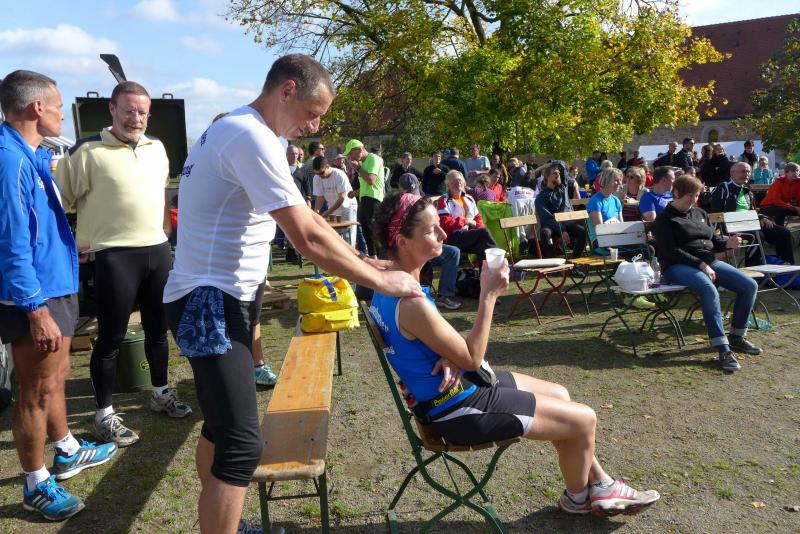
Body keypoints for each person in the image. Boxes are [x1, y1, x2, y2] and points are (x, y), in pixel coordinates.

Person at [162, 54, 422, 534]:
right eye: (312, 112)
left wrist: (365, 261)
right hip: (209, 302)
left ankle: (228, 524)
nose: (314, 126)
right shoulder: (250, 135)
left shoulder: (240, 130)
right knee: (241, 446)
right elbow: (305, 238)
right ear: (286, 91)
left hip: (217, 298)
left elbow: (309, 219)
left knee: (221, 428)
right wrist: (381, 281)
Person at [369, 192, 661, 517]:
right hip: (457, 408)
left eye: (440, 225)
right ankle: (578, 499)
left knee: (560, 394)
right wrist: (488, 294)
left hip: (451, 393)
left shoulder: (387, 284)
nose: (442, 234)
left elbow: (428, 344)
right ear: (402, 241)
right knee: (584, 420)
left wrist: (449, 355)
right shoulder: (411, 302)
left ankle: (602, 485)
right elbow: (472, 359)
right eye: (430, 230)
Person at [0, 70, 117, 521]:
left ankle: (66, 449)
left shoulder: (32, 154)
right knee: (35, 389)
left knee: (56, 376)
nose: (62, 116)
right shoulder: (9, 160)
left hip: (55, 285)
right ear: (36, 108)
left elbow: (38, 225)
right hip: (35, 296)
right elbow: (11, 243)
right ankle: (35, 483)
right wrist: (35, 309)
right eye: (57, 106)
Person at [56, 81, 191, 447]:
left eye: (142, 112)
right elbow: (59, 202)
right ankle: (104, 414)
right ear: (112, 109)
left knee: (158, 330)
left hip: (156, 251)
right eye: (129, 110)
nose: (136, 118)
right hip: (114, 255)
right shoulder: (87, 151)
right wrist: (74, 244)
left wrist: (166, 233)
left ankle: (160, 391)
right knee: (111, 336)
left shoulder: (156, 147)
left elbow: (161, 194)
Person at [652, 175, 761, 373]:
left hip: (708, 263)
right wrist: (701, 264)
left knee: (749, 286)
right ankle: (723, 348)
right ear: (676, 193)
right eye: (689, 195)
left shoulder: (700, 213)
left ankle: (737, 336)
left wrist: (728, 243)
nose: (693, 200)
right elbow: (671, 251)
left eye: (696, 195)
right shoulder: (664, 219)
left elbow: (714, 242)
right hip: (677, 265)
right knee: (708, 289)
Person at [398, 174, 461, 310]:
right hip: (410, 250)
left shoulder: (423, 201)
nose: (413, 198)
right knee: (451, 253)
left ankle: (444, 295)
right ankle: (437, 294)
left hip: (421, 246)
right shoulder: (399, 207)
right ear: (400, 190)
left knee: (452, 252)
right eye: (409, 193)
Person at [710, 162, 794, 265]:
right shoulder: (723, 188)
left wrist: (762, 218)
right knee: (757, 235)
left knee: (783, 232)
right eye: (743, 171)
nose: (746, 174)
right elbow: (716, 213)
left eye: (748, 172)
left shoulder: (747, 190)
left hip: (750, 223)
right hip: (730, 227)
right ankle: (753, 267)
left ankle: (786, 265)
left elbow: (753, 211)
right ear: (732, 173)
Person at [436, 170, 498, 263]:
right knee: (484, 232)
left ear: (464, 182)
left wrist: (472, 223)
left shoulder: (469, 199)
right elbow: (445, 224)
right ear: (448, 184)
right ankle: (498, 261)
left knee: (482, 246)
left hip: (469, 234)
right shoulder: (443, 200)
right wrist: (465, 221)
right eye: (454, 181)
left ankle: (485, 271)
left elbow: (479, 219)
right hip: (452, 237)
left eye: (460, 180)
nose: (458, 182)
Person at [535, 164, 587, 258]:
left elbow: (563, 167)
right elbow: (546, 218)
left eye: (559, 173)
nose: (558, 175)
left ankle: (574, 260)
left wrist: (554, 163)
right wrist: (561, 230)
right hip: (551, 225)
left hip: (566, 223)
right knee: (545, 233)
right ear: (547, 176)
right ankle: (552, 261)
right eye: (555, 173)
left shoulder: (563, 190)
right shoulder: (540, 197)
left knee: (581, 231)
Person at [346, 138, 385, 256]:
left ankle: (383, 259)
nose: (351, 157)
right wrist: (355, 193)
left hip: (374, 200)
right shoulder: (362, 163)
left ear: (359, 150)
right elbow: (366, 185)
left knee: (375, 233)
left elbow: (371, 180)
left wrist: (357, 168)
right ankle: (373, 259)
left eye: (351, 153)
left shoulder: (374, 158)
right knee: (366, 233)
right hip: (364, 199)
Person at [587, 168, 623, 252]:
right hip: (600, 242)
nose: (620, 183)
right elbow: (600, 229)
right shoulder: (595, 201)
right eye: (616, 180)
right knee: (638, 250)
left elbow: (622, 224)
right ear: (607, 181)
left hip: (615, 239)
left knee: (645, 247)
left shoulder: (616, 200)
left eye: (620, 180)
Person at [759, 162, 800, 227]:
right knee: (781, 210)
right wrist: (794, 207)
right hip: (767, 206)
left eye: (797, 171)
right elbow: (776, 201)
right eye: (793, 171)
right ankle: (780, 230)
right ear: (786, 173)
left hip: (784, 206)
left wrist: (796, 207)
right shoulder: (779, 181)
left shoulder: (798, 182)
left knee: (783, 209)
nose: (796, 173)